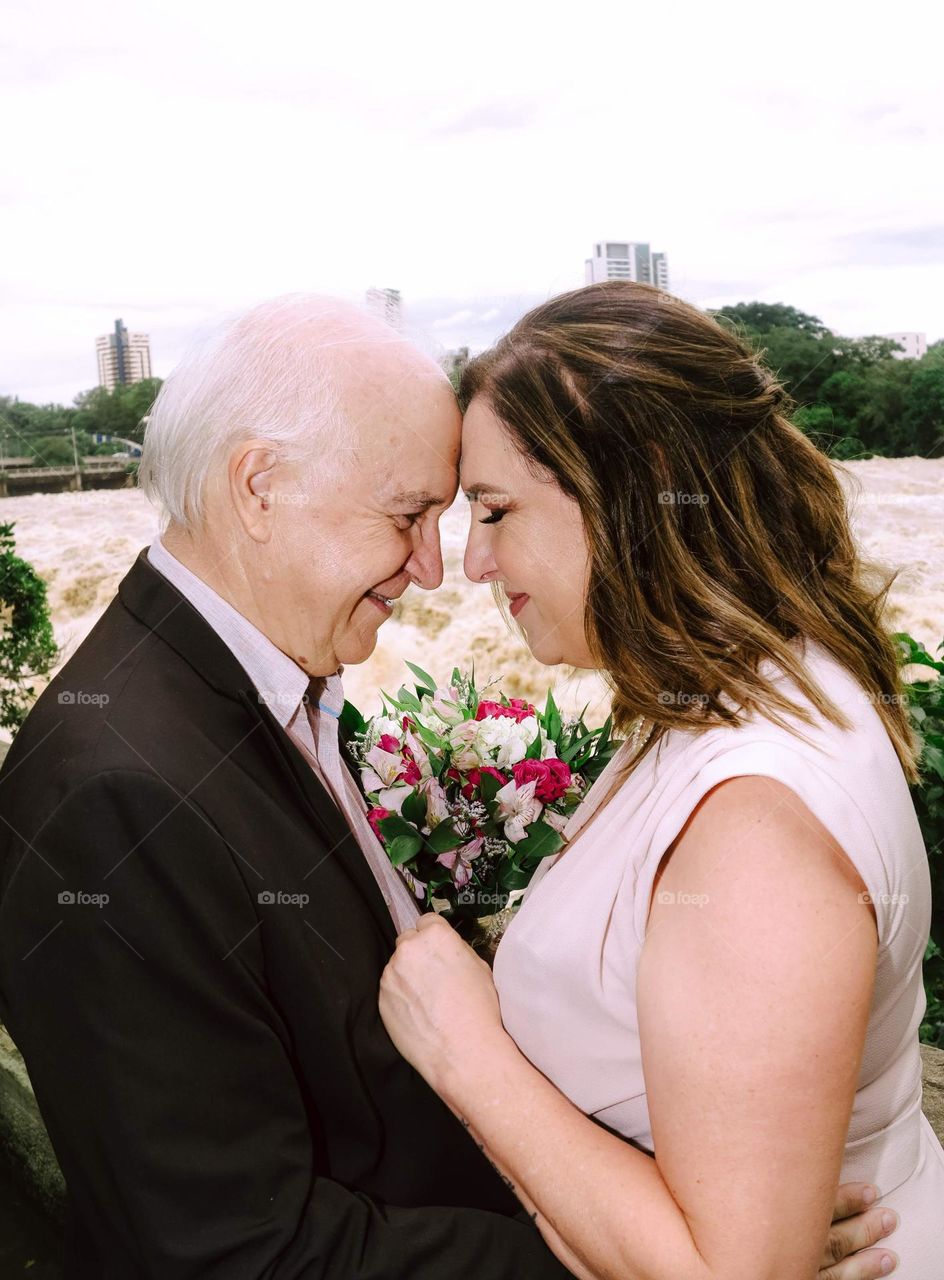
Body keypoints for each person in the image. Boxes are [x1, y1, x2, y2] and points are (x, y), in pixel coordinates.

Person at [0, 295, 897, 1278]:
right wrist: (622, 1252)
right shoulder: (116, 800)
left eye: (468, 512)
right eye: (409, 513)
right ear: (259, 487)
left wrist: (703, 1205)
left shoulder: (272, 684)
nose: (435, 567)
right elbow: (235, 1248)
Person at [379, 282, 942, 1278]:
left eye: (496, 510)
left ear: (636, 486)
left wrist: (467, 1053)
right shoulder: (741, 685)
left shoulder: (752, 827)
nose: (471, 561)